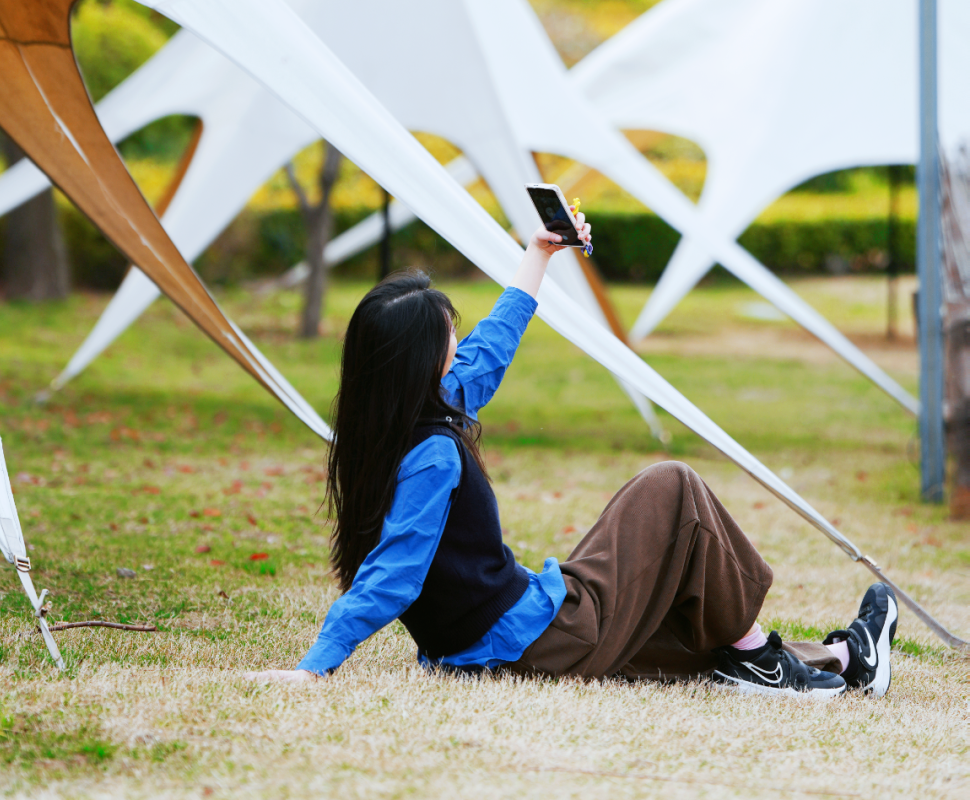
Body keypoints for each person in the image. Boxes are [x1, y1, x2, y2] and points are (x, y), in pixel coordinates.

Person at [247, 215, 898, 698]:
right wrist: (314, 665)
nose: (460, 341)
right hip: (534, 642)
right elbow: (391, 575)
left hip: (514, 637)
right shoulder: (432, 455)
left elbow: (489, 350)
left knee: (682, 630)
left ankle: (844, 655)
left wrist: (538, 253)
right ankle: (759, 653)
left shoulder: (387, 426)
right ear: (421, 363)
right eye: (450, 335)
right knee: (672, 488)